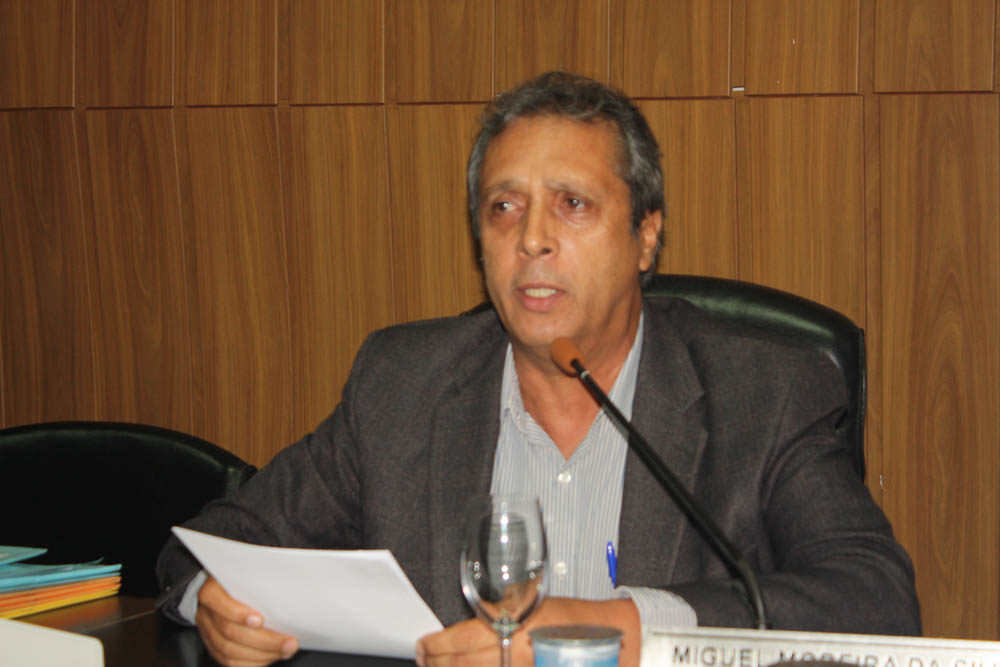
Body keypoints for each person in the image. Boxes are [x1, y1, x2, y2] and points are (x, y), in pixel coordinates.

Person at [156, 71, 921, 667]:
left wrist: (621, 629)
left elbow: (875, 598)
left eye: (572, 204)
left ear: (646, 235)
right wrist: (214, 601)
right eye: (504, 207)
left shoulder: (763, 391)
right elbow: (208, 541)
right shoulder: (403, 384)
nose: (531, 239)